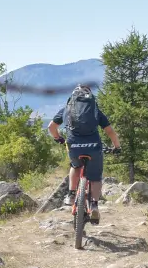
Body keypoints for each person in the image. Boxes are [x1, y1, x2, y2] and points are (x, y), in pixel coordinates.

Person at [47, 84, 122, 224]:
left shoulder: (67, 109)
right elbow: (110, 131)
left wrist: (58, 138)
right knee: (95, 176)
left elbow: (51, 127)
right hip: (93, 146)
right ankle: (94, 205)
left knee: (75, 166)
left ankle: (71, 194)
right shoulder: (95, 110)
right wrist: (116, 147)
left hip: (74, 145)